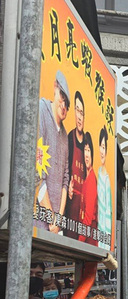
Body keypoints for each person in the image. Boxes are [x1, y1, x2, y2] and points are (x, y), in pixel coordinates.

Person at [36, 70, 70, 234]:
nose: (63, 106)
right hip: (34, 220)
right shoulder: (41, 110)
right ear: (55, 89)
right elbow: (36, 170)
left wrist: (59, 218)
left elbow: (66, 177)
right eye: (62, 98)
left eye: (67, 104)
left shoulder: (64, 135)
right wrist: (51, 217)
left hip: (54, 226)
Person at [65, 91, 86, 238]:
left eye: (82, 112)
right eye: (77, 111)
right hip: (69, 208)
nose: (79, 116)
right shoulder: (69, 138)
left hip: (84, 211)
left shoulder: (88, 143)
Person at [79, 133, 98, 245]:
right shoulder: (87, 177)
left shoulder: (91, 180)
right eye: (85, 150)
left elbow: (88, 217)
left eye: (89, 150)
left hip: (88, 241)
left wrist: (79, 242)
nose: (86, 155)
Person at [97, 127, 112, 248]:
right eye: (100, 147)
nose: (102, 151)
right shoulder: (96, 173)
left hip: (103, 236)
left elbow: (108, 213)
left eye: (104, 147)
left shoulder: (107, 179)